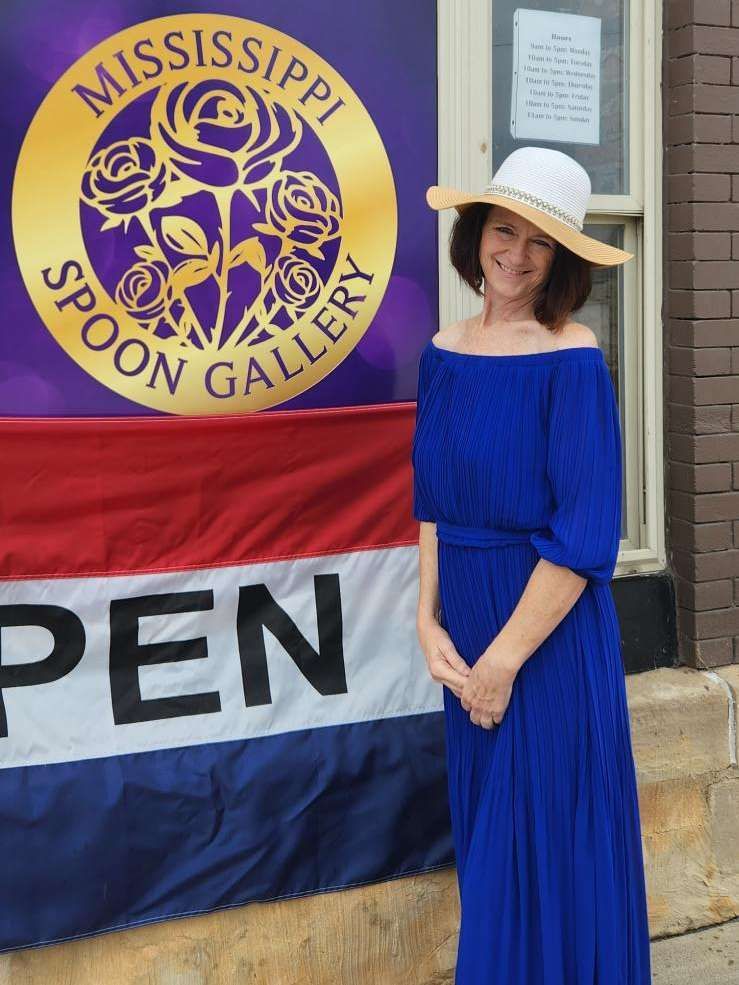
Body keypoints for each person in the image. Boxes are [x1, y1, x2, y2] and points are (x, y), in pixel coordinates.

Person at [412, 146, 652, 984]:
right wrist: (426, 619)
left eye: (538, 242)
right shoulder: (443, 348)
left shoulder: (573, 357)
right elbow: (433, 504)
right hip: (467, 629)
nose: (513, 253)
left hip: (539, 643)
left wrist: (500, 663)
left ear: (561, 261)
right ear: (475, 233)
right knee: (490, 843)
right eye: (501, 230)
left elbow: (584, 536)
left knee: (549, 837)